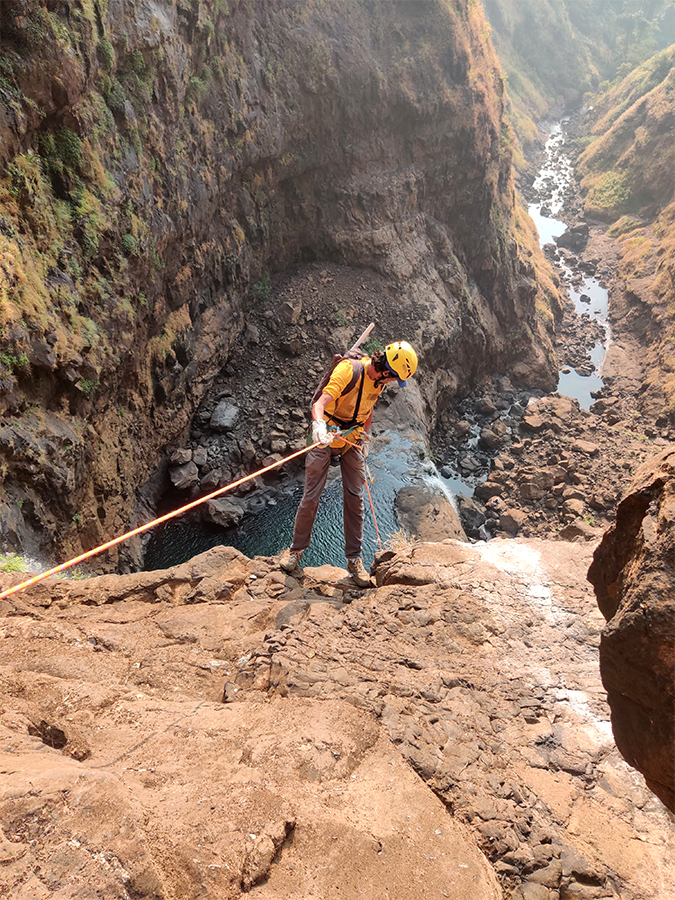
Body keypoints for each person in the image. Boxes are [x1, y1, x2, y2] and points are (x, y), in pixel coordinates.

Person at [279, 341, 418, 586]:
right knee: (311, 497)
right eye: (395, 377)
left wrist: (365, 435)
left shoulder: (378, 382)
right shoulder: (349, 371)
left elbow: (368, 408)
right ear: (387, 370)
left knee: (356, 498)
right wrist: (319, 427)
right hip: (326, 435)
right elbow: (319, 405)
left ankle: (354, 560)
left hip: (351, 440)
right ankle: (296, 551)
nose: (394, 382)